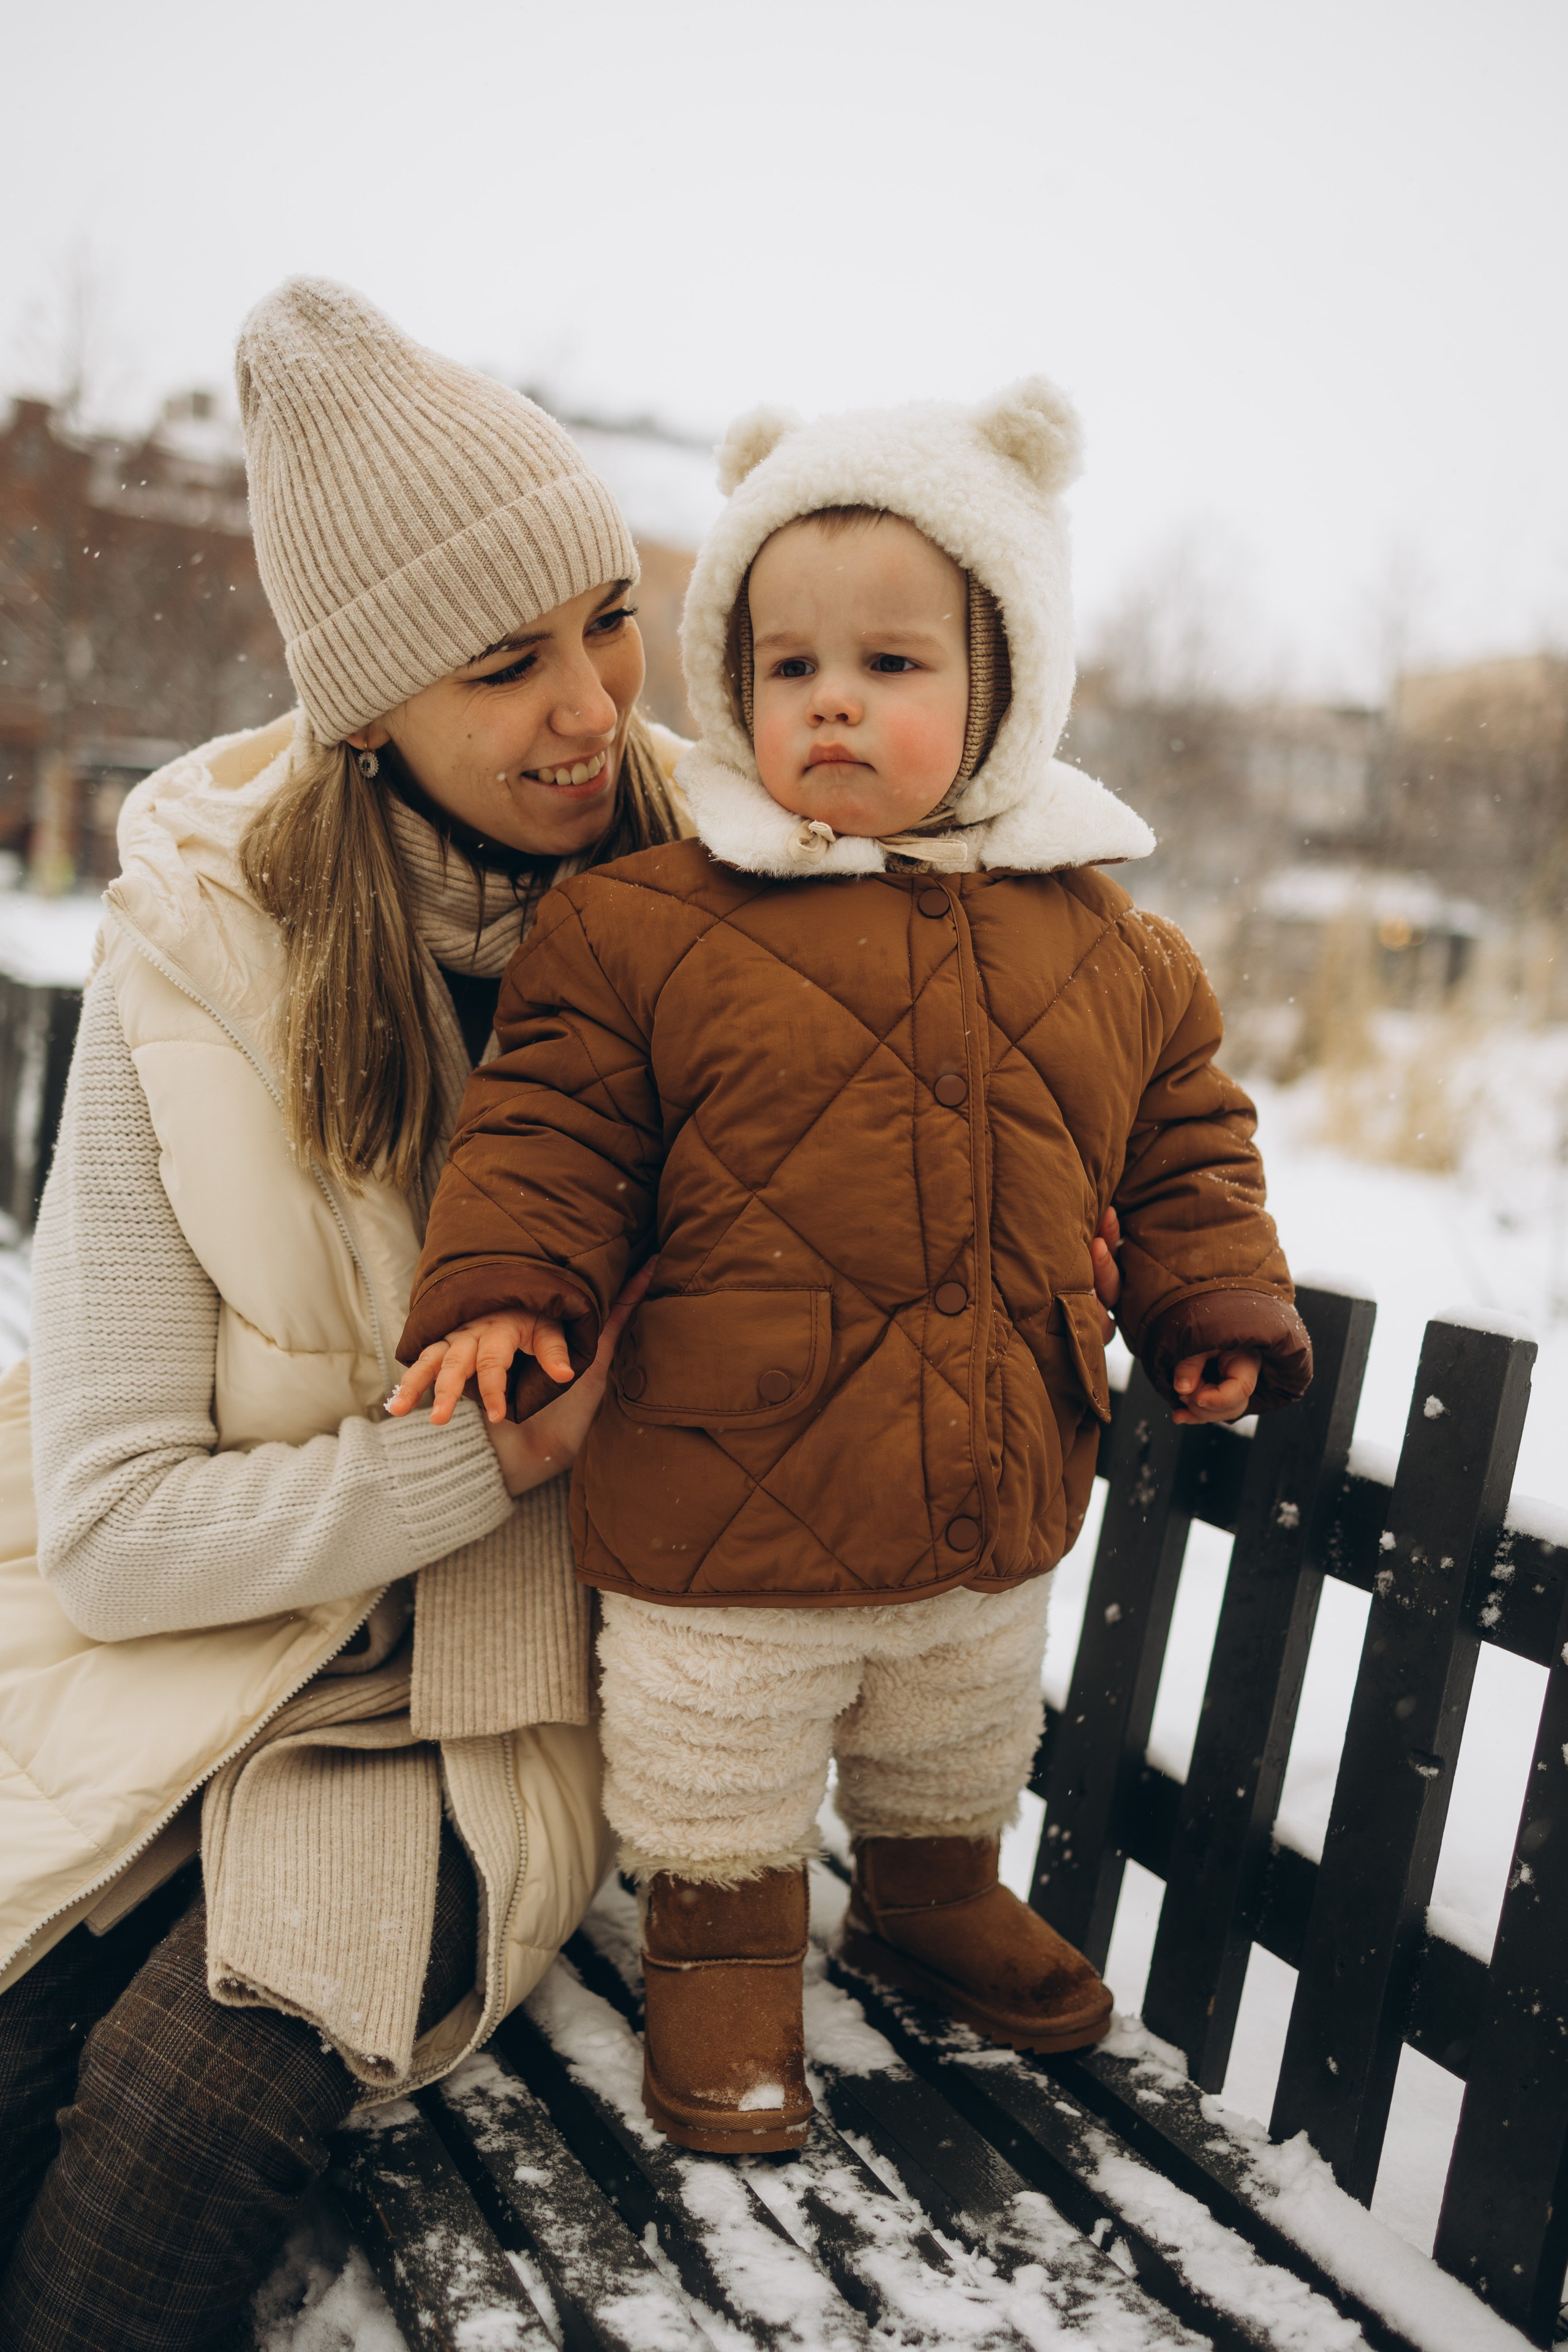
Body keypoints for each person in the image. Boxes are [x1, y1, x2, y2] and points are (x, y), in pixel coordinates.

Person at [391, 379, 1315, 2157]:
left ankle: (926, 1888)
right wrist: (514, 1284)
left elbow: (1181, 1133)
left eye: (893, 665)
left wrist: (1207, 1295)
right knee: (720, 1755)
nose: (833, 699)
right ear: (736, 686)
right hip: (728, 1479)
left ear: (1004, 693)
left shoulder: (1103, 942)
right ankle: (722, 1958)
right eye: (788, 663)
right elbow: (553, 1126)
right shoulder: (652, 921)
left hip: (990, 1466)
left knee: (956, 1717)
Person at [0, 276, 687, 2350]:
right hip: (180, 1650)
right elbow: (111, 1532)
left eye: (607, 621)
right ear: (367, 702)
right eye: (508, 662)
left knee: (175, 2125)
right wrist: (462, 1461)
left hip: (480, 1714)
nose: (594, 707)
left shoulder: (732, 911)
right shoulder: (192, 970)